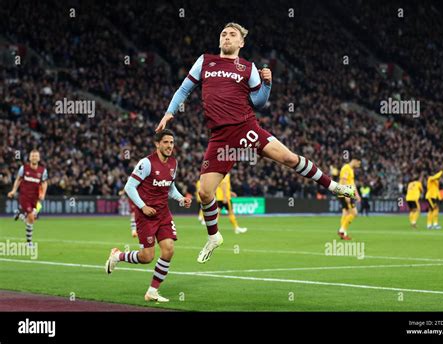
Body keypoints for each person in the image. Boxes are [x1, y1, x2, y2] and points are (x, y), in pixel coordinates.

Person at [156, 22, 356, 263]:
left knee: (289, 158)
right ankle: (214, 236)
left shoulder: (247, 67)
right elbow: (184, 89)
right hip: (220, 138)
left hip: (245, 128)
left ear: (241, 42)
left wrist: (268, 84)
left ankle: (334, 187)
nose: (226, 37)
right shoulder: (205, 61)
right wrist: (169, 112)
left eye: (232, 34)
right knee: (205, 192)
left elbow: (259, 102)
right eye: (223, 34)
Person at [105, 130, 192, 303]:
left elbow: (170, 188)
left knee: (168, 249)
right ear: (157, 144)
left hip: (163, 214)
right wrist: (143, 207)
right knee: (147, 257)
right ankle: (117, 256)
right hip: (146, 215)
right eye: (166, 142)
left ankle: (152, 291)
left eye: (172, 142)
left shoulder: (174, 163)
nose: (169, 146)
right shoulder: (146, 163)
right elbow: (130, 187)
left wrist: (181, 198)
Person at [7, 149, 48, 245]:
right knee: (30, 216)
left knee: (32, 219)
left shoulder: (43, 171)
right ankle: (29, 242)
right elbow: (18, 180)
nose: (34, 157)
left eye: (36, 156)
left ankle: (19, 215)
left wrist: (43, 194)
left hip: (35, 198)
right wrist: (13, 190)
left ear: (39, 158)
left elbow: (44, 183)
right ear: (29, 158)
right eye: (32, 156)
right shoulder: (23, 168)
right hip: (24, 197)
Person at [337, 159, 361, 240]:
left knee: (346, 212)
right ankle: (341, 230)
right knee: (354, 213)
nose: (359, 165)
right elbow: (343, 180)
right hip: (345, 192)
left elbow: (352, 183)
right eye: (358, 163)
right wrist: (346, 194)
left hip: (348, 192)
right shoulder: (346, 168)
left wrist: (357, 194)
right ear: (354, 161)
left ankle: (343, 233)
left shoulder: (351, 169)